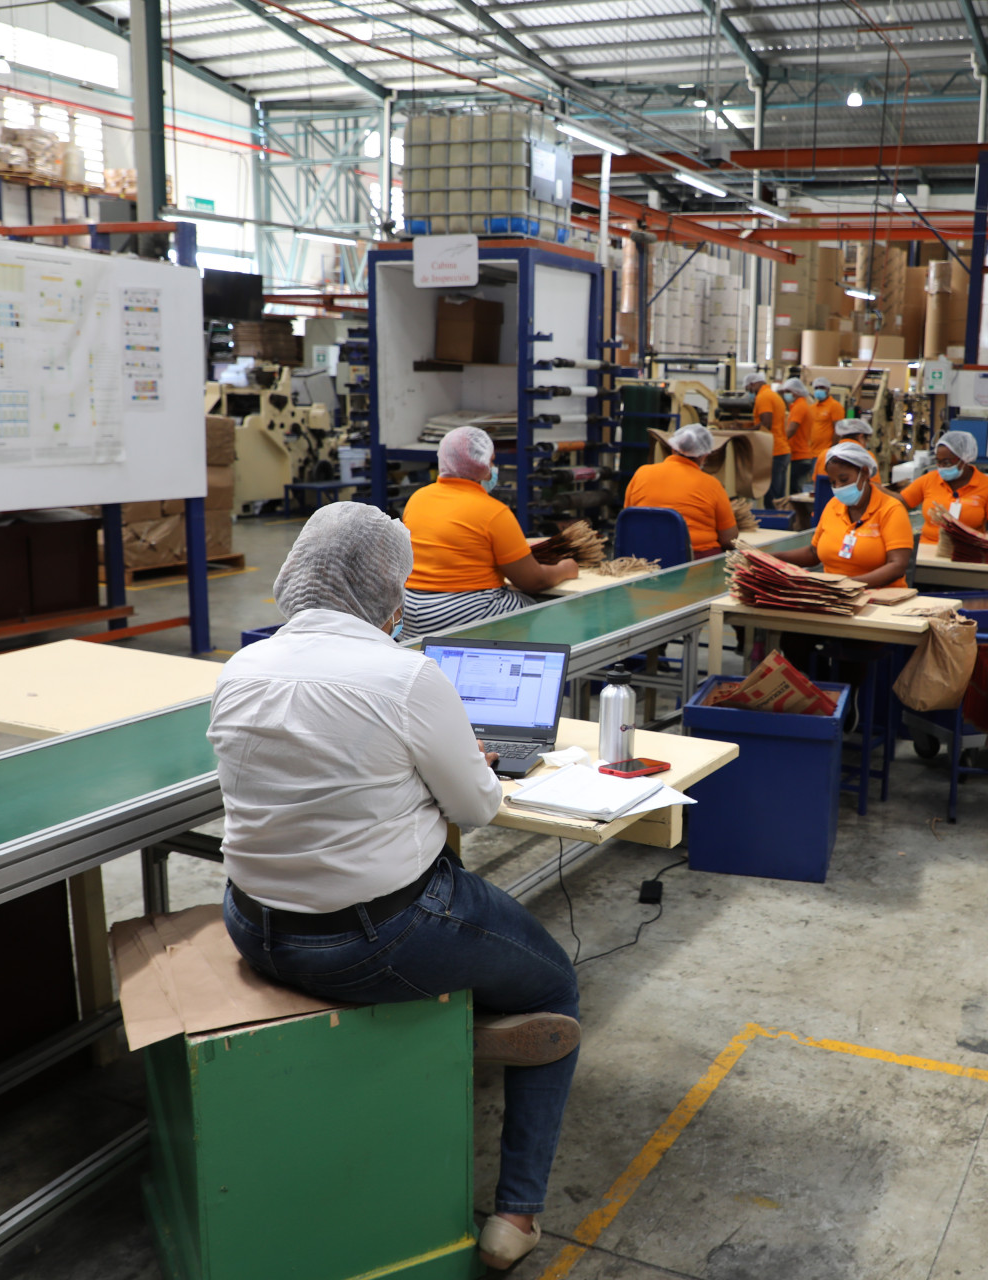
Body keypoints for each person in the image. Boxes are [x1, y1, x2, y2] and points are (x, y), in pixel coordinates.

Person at [208, 503, 580, 1271]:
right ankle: (517, 1212)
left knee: (439, 886)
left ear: (299, 574)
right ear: (389, 589)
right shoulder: (407, 675)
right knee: (556, 986)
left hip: (251, 924)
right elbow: (477, 808)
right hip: (370, 945)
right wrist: (461, 763)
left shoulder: (242, 668)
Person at [401, 425, 578, 638]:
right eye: (492, 461)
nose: (494, 468)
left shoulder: (417, 499)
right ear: (482, 467)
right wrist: (565, 569)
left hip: (410, 613)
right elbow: (533, 581)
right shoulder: (493, 512)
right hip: (460, 614)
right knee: (544, 611)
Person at [775, 440, 913, 587]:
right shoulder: (833, 506)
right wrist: (772, 558)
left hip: (880, 596)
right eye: (833, 482)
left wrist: (848, 586)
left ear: (864, 472)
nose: (838, 487)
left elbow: (897, 565)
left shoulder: (891, 510)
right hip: (834, 594)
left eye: (844, 479)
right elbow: (814, 553)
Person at [622, 424, 739, 558]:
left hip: (642, 557)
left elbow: (628, 520)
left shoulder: (641, 474)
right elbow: (729, 539)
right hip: (695, 561)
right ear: (704, 455)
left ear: (673, 448)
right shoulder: (712, 485)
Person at [897, 430, 988, 550]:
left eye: (946, 462)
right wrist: (881, 491)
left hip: (968, 551)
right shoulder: (929, 480)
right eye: (938, 461)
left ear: (964, 459)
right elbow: (901, 501)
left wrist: (974, 542)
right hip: (928, 550)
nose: (941, 467)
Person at [810, 417, 876, 510]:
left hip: (820, 510)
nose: (838, 487)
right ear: (861, 437)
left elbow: (816, 486)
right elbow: (874, 489)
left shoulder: (824, 454)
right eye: (833, 483)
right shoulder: (866, 457)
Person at [746, 370, 791, 500]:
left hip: (773, 452)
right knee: (779, 498)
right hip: (781, 450)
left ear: (753, 384)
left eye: (748, 389)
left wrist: (747, 432)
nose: (749, 392)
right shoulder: (772, 395)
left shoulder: (763, 397)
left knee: (772, 498)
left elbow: (766, 424)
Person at [782, 378, 818, 493]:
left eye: (788, 391)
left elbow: (792, 429)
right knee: (795, 488)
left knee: (794, 490)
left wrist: (781, 442)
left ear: (796, 392)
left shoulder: (800, 406)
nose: (785, 394)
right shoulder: (801, 406)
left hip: (799, 456)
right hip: (802, 455)